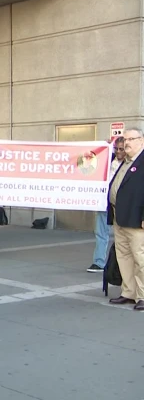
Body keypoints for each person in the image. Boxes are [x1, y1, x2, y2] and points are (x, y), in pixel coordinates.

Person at [107, 127, 144, 310]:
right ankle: (129, 292)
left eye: (131, 139)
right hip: (120, 217)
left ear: (141, 141)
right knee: (124, 256)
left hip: (136, 218)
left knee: (140, 258)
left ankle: (143, 295)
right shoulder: (126, 161)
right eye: (125, 139)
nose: (126, 142)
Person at [87, 136, 125, 273]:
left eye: (122, 149)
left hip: (121, 204)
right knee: (101, 232)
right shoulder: (108, 159)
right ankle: (99, 262)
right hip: (104, 202)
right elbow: (90, 159)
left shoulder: (130, 164)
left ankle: (122, 265)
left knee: (122, 235)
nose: (119, 151)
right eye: (117, 148)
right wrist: (105, 146)